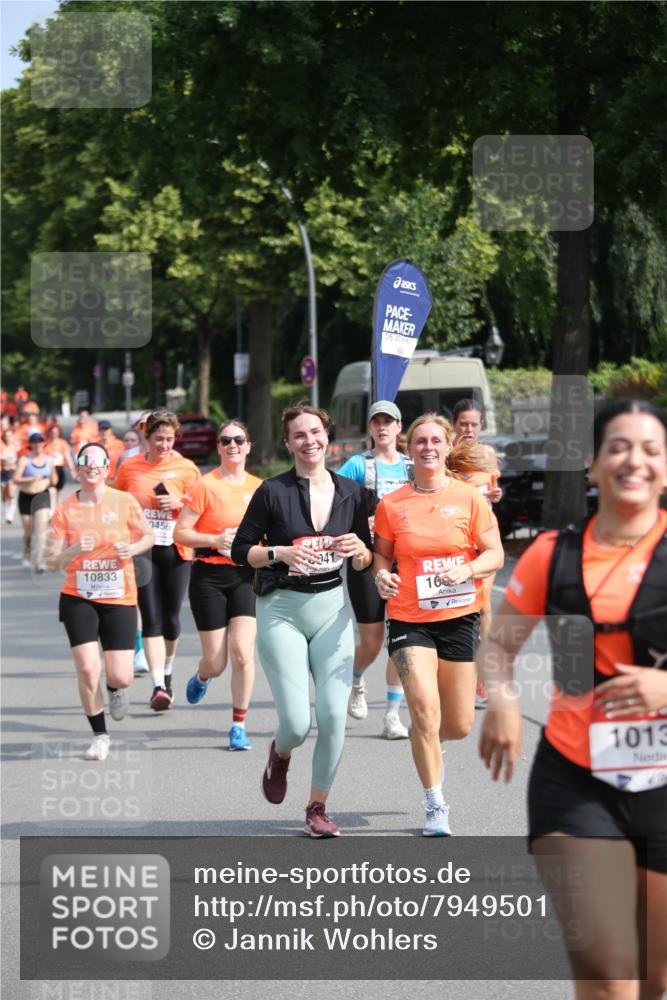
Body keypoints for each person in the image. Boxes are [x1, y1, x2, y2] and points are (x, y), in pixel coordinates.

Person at [478, 397, 667, 999]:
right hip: (575, 780)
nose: (633, 460)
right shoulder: (551, 553)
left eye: (650, 449)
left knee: (653, 978)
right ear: (591, 464)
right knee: (614, 976)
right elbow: (497, 651)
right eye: (618, 447)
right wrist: (504, 700)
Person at [232, 403, 373, 838]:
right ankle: (281, 752)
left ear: (328, 437)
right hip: (281, 611)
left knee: (332, 716)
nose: (309, 441)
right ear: (288, 442)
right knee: (297, 722)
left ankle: (317, 807)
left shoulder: (352, 491)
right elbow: (241, 551)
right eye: (299, 435)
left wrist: (359, 550)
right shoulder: (272, 492)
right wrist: (280, 553)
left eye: (315, 432)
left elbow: (367, 559)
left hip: (331, 610)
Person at [372, 413, 504, 836]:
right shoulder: (392, 504)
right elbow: (381, 557)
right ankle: (435, 804)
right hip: (410, 617)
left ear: (447, 448)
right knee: (426, 712)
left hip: (459, 617)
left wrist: (468, 571)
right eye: (420, 441)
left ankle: (426, 739)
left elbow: (494, 554)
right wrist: (381, 575)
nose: (428, 447)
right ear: (409, 449)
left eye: (435, 441)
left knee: (460, 725)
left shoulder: (469, 498)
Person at [47, 442, 154, 760]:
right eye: (85, 462)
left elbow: (148, 535)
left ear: (107, 469)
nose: (92, 467)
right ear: (77, 468)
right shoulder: (66, 509)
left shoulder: (124, 501)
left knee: (119, 674)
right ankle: (99, 735)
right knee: (87, 667)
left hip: (119, 596)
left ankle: (115, 689)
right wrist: (74, 549)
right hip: (78, 597)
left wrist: (132, 550)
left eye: (99, 462)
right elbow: (52, 562)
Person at [174, 420, 262, 750]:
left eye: (239, 439)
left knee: (242, 652)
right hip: (209, 576)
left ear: (249, 445)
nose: (233, 445)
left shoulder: (260, 487)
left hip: (245, 576)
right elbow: (180, 533)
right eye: (226, 440)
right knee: (217, 662)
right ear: (219, 447)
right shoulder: (205, 486)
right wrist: (215, 538)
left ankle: (238, 724)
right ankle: (202, 676)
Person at [114, 409, 200, 710]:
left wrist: (181, 502)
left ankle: (168, 671)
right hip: (142, 549)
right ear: (146, 438)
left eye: (169, 439)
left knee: (172, 620)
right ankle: (158, 686)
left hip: (176, 548)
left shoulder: (187, 468)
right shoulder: (130, 466)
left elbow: (202, 506)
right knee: (151, 617)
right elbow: (115, 499)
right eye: (158, 439)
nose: (164, 445)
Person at [337, 400, 412, 738]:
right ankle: (356, 679)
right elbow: (332, 502)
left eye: (389, 421)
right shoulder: (358, 465)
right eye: (376, 422)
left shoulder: (412, 469)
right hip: (366, 561)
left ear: (399, 427)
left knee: (401, 642)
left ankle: (392, 717)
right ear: (370, 429)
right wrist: (359, 522)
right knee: (372, 642)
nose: (382, 427)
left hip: (405, 562)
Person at [452, 397, 503, 707]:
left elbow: (492, 491)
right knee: (461, 607)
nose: (468, 429)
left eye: (474, 424)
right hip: (457, 538)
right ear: (455, 424)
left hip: (486, 538)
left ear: (481, 426)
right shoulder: (447, 456)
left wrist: (497, 493)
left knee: (484, 606)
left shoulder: (488, 455)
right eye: (463, 423)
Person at [12, 432, 57, 571]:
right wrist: (31, 478)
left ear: (43, 444)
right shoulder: (24, 460)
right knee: (28, 532)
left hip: (42, 496)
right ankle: (27, 550)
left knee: (41, 530)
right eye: (35, 442)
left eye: (40, 442)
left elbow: (54, 476)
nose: (37, 445)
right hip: (26, 496)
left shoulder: (49, 460)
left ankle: (39, 562)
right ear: (30, 445)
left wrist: (53, 480)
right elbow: (16, 479)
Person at [44, 425, 77, 506]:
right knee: (52, 489)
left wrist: (72, 470)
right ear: (49, 433)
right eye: (52, 432)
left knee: (59, 490)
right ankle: (52, 508)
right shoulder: (45, 444)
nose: (53, 434)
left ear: (58, 433)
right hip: (50, 470)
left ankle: (57, 508)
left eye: (55, 432)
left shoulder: (62, 443)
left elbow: (67, 457)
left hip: (60, 468)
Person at [1, 425, 18, 523]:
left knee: (11, 493)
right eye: (6, 436)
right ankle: (7, 509)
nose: (8, 438)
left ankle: (9, 515)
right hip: (2, 472)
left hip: (12, 472)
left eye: (9, 436)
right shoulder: (1, 446)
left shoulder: (16, 447)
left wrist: (15, 466)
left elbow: (21, 458)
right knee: (4, 495)